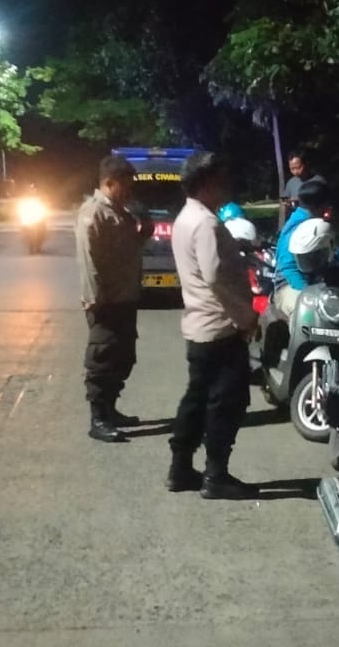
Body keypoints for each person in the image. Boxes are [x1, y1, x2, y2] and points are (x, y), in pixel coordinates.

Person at [168, 152, 259, 499]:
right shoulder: (206, 222)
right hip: (220, 326)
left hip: (199, 325)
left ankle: (180, 468)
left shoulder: (185, 217)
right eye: (221, 180)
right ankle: (216, 474)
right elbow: (214, 275)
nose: (226, 187)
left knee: (196, 399)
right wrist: (245, 316)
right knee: (227, 403)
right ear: (206, 183)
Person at [75, 154, 150, 443]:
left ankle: (110, 408)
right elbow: (88, 260)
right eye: (125, 185)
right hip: (106, 301)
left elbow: (129, 248)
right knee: (102, 359)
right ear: (109, 183)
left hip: (125, 297)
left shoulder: (121, 211)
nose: (129, 190)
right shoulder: (93, 213)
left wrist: (144, 229)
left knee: (124, 357)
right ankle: (98, 419)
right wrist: (95, 299)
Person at [273, 177, 330, 317]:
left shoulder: (318, 224)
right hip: (290, 284)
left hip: (316, 282)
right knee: (305, 313)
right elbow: (288, 267)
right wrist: (307, 293)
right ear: (320, 205)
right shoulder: (297, 227)